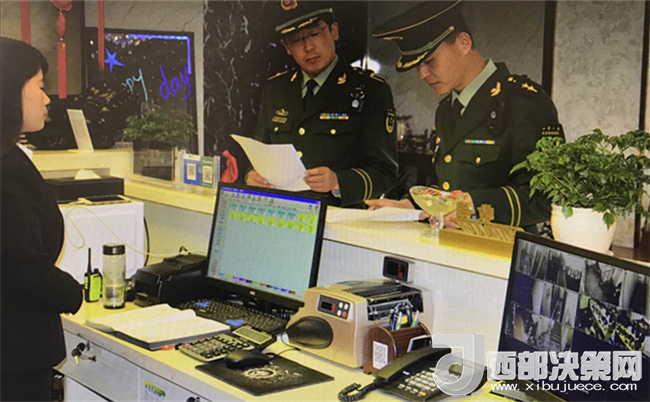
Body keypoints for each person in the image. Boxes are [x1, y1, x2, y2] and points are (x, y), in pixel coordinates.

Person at [368, 0, 563, 232]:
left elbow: (546, 197)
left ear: (463, 43)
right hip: (450, 243)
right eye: (417, 66)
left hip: (501, 247)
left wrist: (473, 205)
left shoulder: (524, 102)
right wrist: (410, 206)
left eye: (429, 61)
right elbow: (453, 185)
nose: (422, 74)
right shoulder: (446, 110)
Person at [247, 1, 398, 207]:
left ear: (334, 31)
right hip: (283, 212)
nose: (308, 47)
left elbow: (385, 174)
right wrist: (252, 175)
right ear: (287, 47)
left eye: (314, 34)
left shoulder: (370, 90)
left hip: (338, 217)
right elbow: (260, 153)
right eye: (296, 40)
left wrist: (337, 181)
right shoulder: (275, 89)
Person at [1, 37, 83, 401]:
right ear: (10, 92)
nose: (47, 98)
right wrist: (73, 293)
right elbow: (22, 266)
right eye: (40, 85)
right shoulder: (7, 169)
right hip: (13, 354)